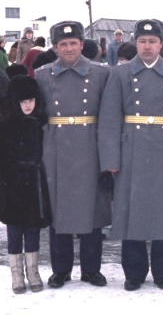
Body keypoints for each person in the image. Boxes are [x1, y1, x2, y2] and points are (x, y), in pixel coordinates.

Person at [98, 19, 163, 291]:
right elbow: (109, 119)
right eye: (142, 41)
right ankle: (135, 273)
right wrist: (111, 160)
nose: (147, 46)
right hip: (132, 148)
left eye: (152, 41)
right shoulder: (120, 73)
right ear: (135, 43)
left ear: (161, 44)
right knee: (132, 213)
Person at [35, 20, 111, 289]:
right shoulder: (42, 74)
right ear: (55, 47)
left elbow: (109, 115)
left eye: (73, 43)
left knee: (93, 208)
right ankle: (61, 269)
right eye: (63, 44)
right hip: (55, 146)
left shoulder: (102, 73)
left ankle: (91, 269)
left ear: (82, 44)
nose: (69, 48)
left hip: (90, 143)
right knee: (59, 209)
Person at [0, 75, 51, 294]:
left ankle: (32, 271)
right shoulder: (6, 125)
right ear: (15, 102)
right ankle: (16, 274)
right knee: (14, 231)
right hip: (13, 184)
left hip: (35, 184)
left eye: (31, 100)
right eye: (23, 101)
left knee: (32, 229)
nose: (28, 105)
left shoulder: (41, 123)